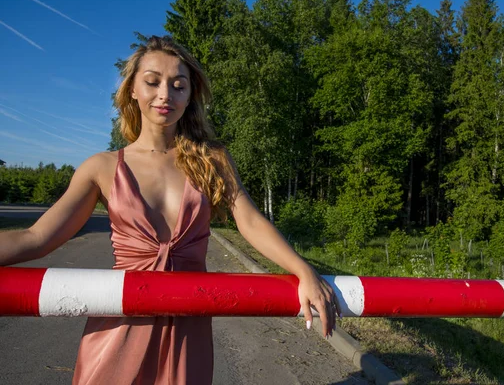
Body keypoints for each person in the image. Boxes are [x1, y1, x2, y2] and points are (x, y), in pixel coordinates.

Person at [0, 35, 339, 384]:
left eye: (178, 85)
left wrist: (303, 270)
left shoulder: (212, 160)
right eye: (152, 82)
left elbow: (250, 221)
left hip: (188, 325)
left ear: (189, 96)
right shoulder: (100, 167)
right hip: (119, 324)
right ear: (132, 89)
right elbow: (37, 236)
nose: (165, 94)